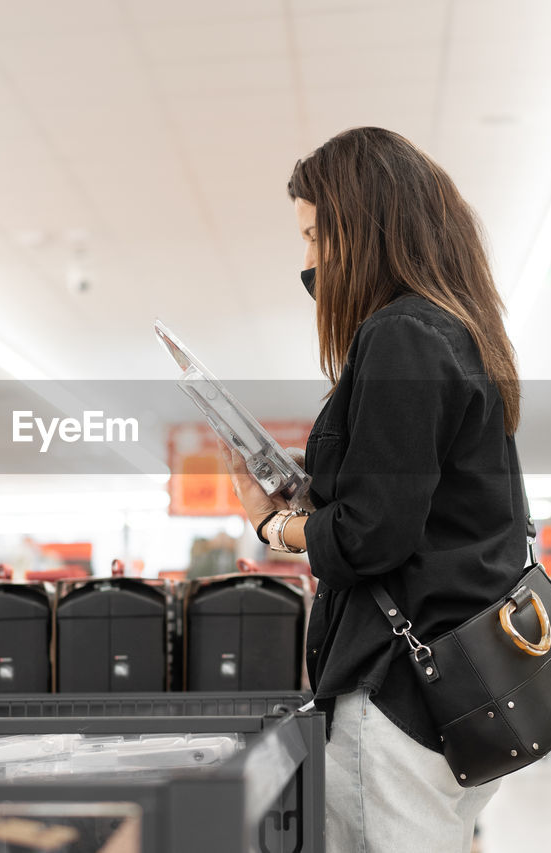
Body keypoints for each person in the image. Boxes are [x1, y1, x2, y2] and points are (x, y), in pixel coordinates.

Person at [222, 127, 527, 853]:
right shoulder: (454, 329)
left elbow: (370, 534)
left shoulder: (401, 337)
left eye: (315, 235)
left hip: (397, 696)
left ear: (363, 227)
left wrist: (272, 525)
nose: (308, 261)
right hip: (453, 687)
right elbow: (406, 515)